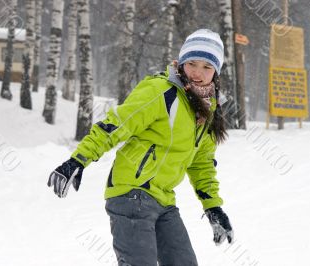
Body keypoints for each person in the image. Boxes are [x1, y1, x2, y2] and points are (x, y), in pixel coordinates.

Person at [47, 29, 234, 266]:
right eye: (192, 63)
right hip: (131, 193)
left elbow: (202, 164)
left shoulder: (206, 110)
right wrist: (78, 160)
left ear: (216, 73)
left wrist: (213, 207)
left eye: (207, 67)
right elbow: (117, 125)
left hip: (164, 199)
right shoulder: (162, 92)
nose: (197, 72)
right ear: (182, 62)